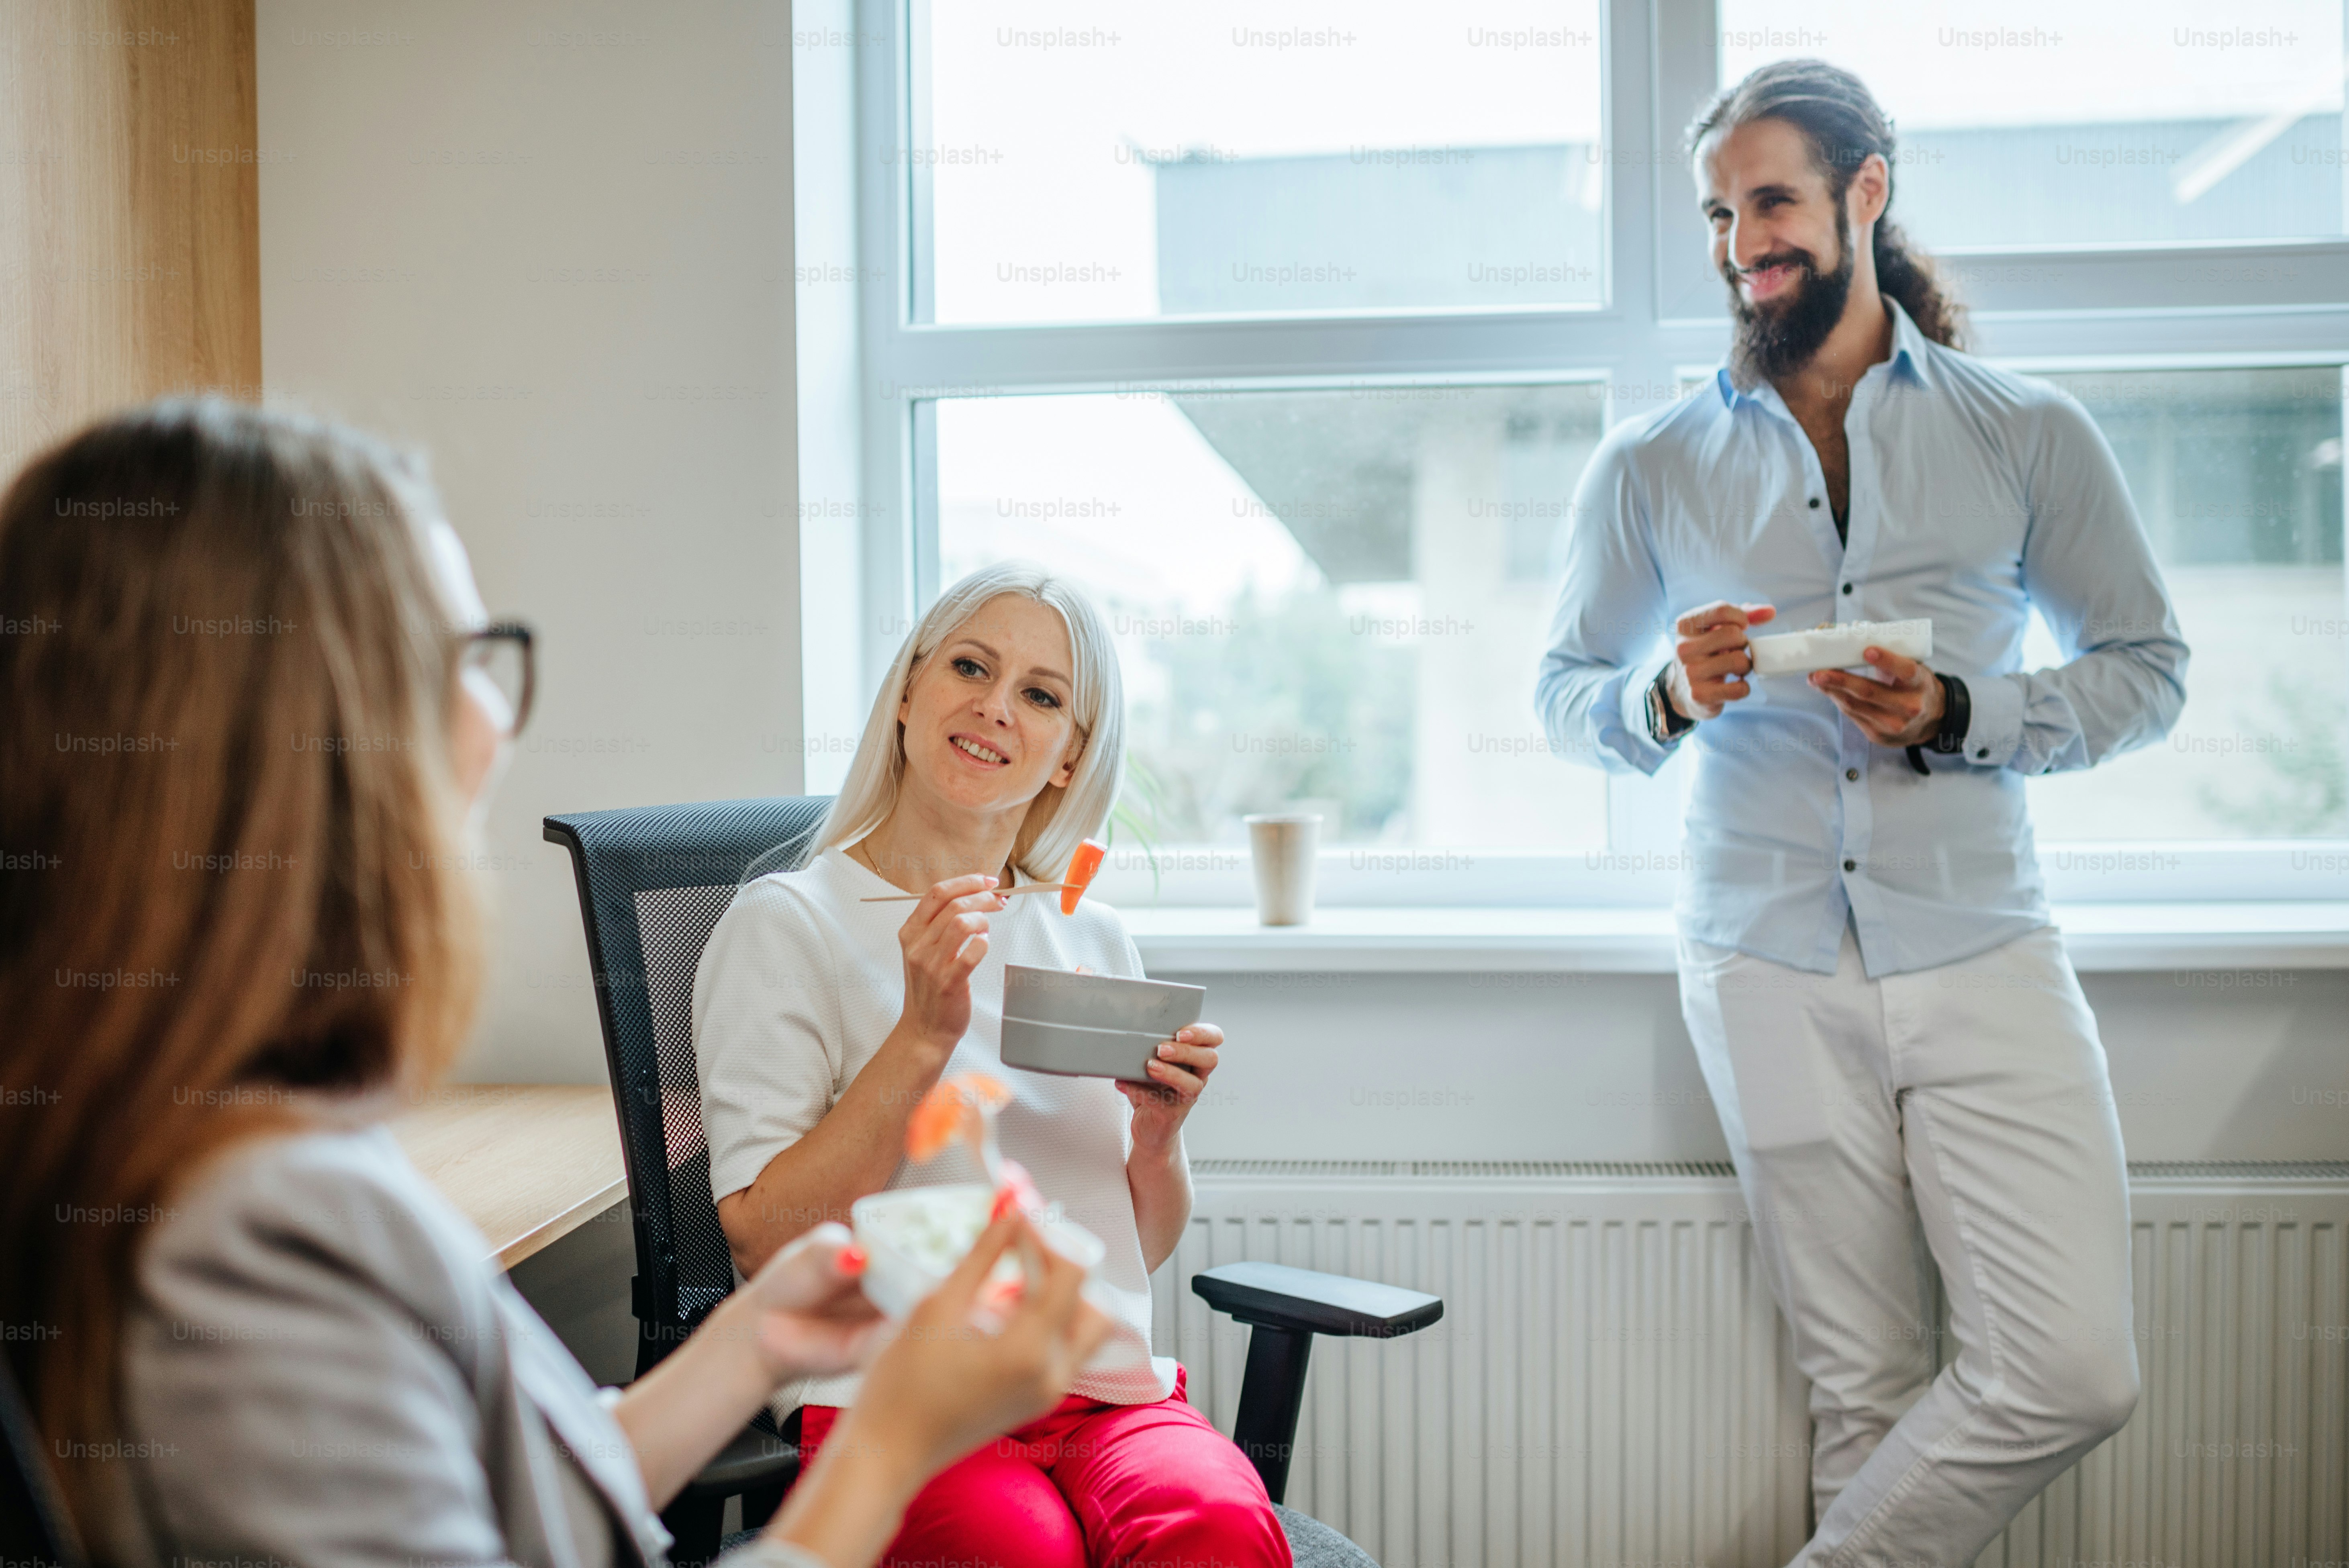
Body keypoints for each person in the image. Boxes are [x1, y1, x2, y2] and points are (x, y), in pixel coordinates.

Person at [0, 398, 1111, 1568]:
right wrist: (889, 1449)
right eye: (465, 660)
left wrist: (755, 1347)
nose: (500, 723)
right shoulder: (255, 1240)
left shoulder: (212, 1146)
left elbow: (492, 1507)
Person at [1533, 60, 2188, 1567]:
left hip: (1976, 941)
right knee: (1862, 1394)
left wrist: (1964, 712)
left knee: (2070, 1369)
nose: (1736, 242)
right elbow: (1565, 690)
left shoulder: (2026, 432)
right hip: (1758, 951)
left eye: (1767, 200)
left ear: (1863, 195)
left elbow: (2143, 671)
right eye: (1716, 212)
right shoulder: (1647, 461)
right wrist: (1665, 700)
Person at [694, 563, 1289, 1568]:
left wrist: (1155, 1139)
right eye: (970, 666)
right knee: (1012, 1547)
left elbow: (1129, 1248)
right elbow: (761, 1236)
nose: (994, 707)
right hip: (894, 1389)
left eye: (1041, 694)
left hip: (1098, 1386)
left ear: (1068, 756)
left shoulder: (1088, 934)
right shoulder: (786, 925)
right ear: (911, 692)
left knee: (1220, 1527)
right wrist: (921, 1033)